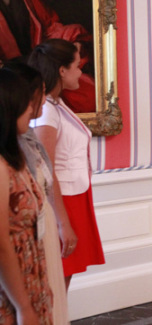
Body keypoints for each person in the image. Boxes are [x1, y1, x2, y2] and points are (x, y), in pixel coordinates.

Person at [28, 38, 105, 290]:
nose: (81, 72)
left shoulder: (55, 104)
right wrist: (62, 222)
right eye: (77, 66)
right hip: (62, 202)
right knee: (57, 280)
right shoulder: (47, 111)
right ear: (62, 70)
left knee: (63, 278)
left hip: (73, 196)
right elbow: (46, 170)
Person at [7, 62, 73, 324]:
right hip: (18, 258)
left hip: (37, 243)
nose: (40, 106)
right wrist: (24, 305)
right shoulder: (7, 161)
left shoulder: (27, 136)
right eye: (35, 98)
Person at [0, 68, 53, 324]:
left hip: (29, 275)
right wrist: (23, 306)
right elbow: (1, 245)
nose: (32, 110)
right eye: (25, 104)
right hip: (12, 289)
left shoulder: (15, 157)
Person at [0, 0, 95, 113]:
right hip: (14, 72)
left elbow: (51, 27)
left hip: (43, 59)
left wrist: (72, 43)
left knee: (90, 93)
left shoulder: (30, 2)